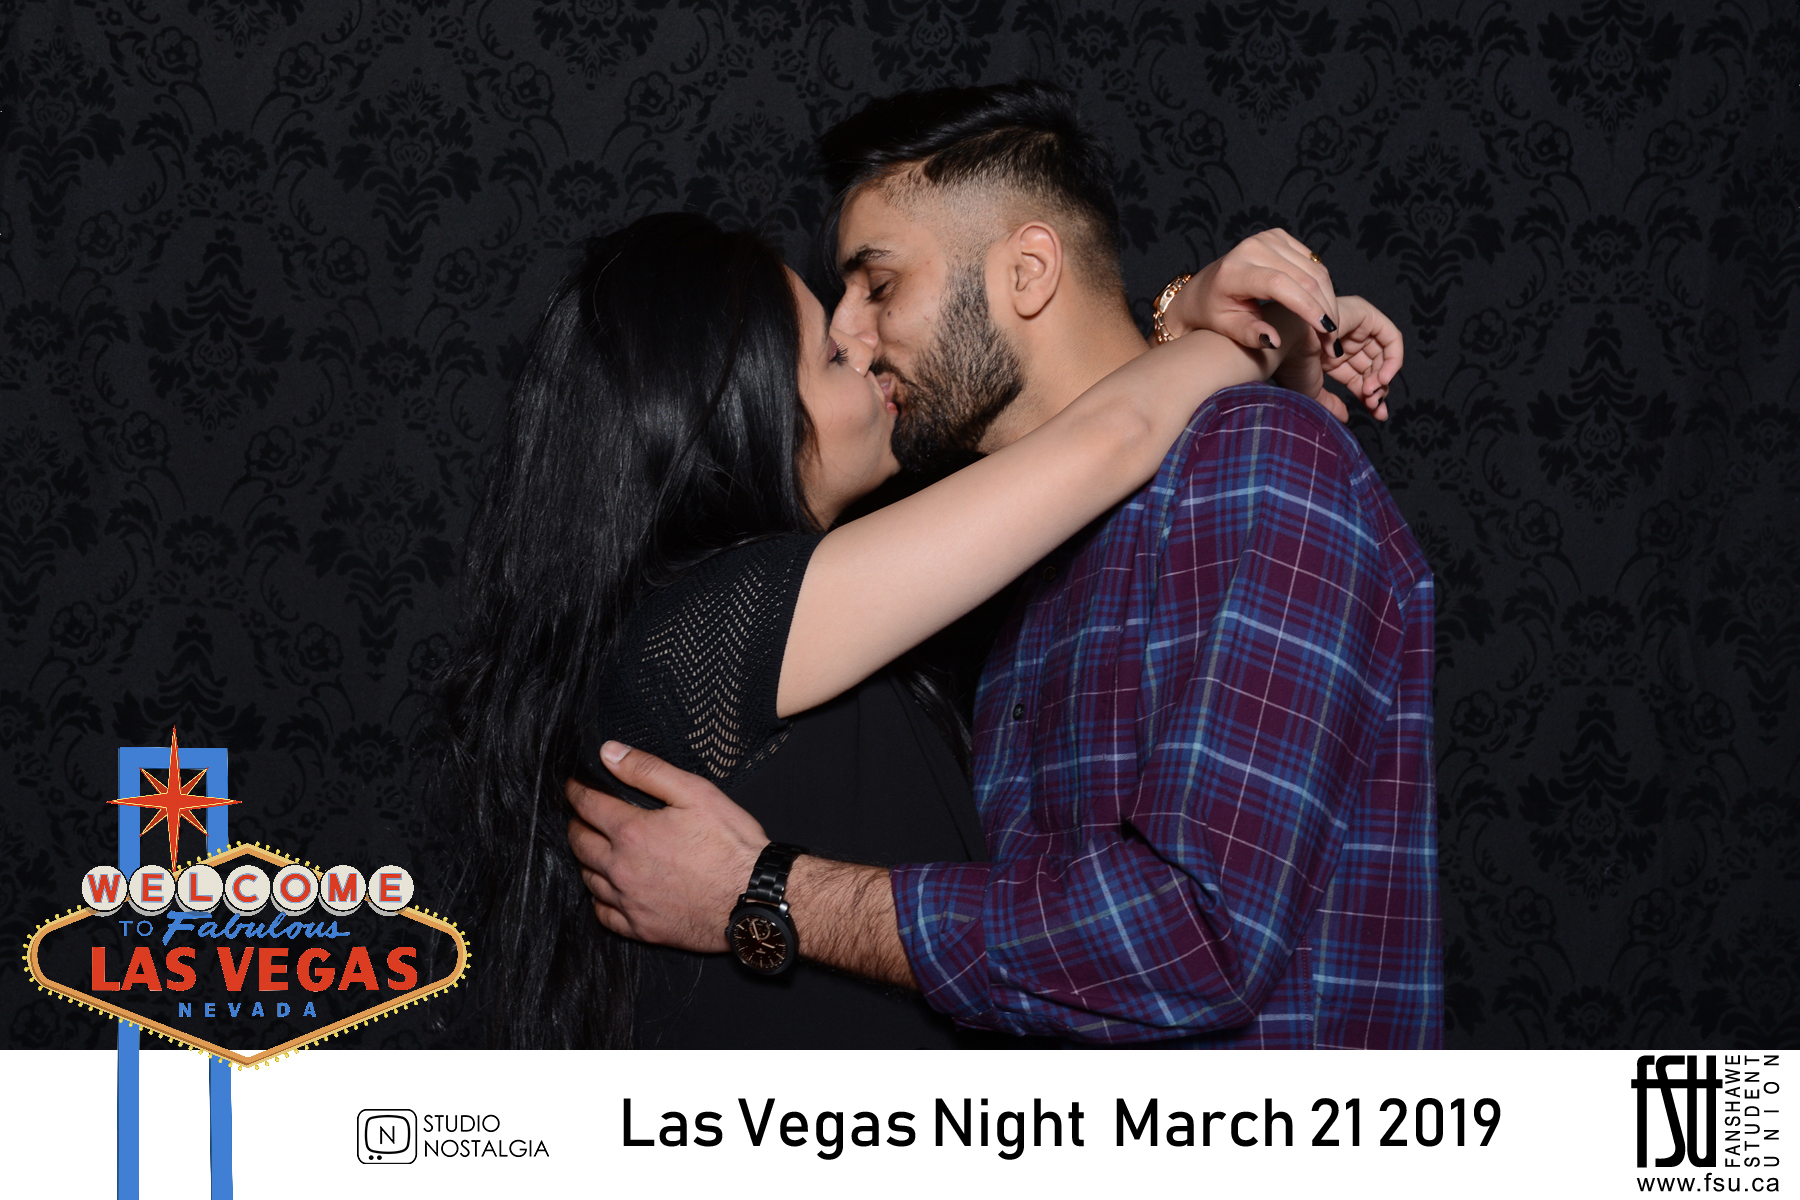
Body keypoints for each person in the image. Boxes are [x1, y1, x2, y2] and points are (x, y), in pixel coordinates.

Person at [565, 81, 1440, 1048]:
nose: (853, 335)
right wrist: (1218, 329)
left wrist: (768, 892)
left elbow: (1196, 942)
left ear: (1028, 272)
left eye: (877, 285)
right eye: (828, 339)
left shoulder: (1251, 457)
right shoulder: (977, 567)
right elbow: (1113, 431)